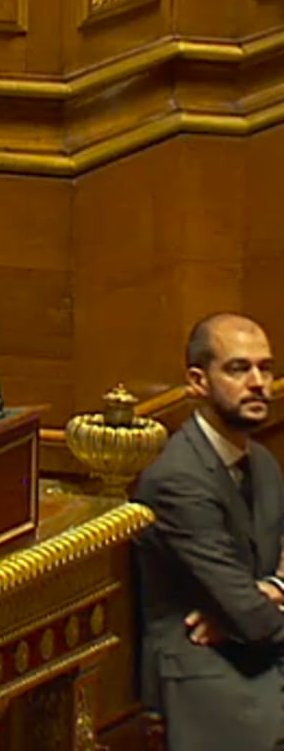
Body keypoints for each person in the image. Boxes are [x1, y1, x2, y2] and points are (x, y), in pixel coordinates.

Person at [134, 313, 284, 751]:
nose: (258, 382)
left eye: (266, 368)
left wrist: (271, 587)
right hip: (203, 667)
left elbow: (253, 605)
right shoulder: (178, 480)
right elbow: (252, 618)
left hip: (259, 646)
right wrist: (256, 604)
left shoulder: (263, 464)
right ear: (198, 382)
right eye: (239, 369)